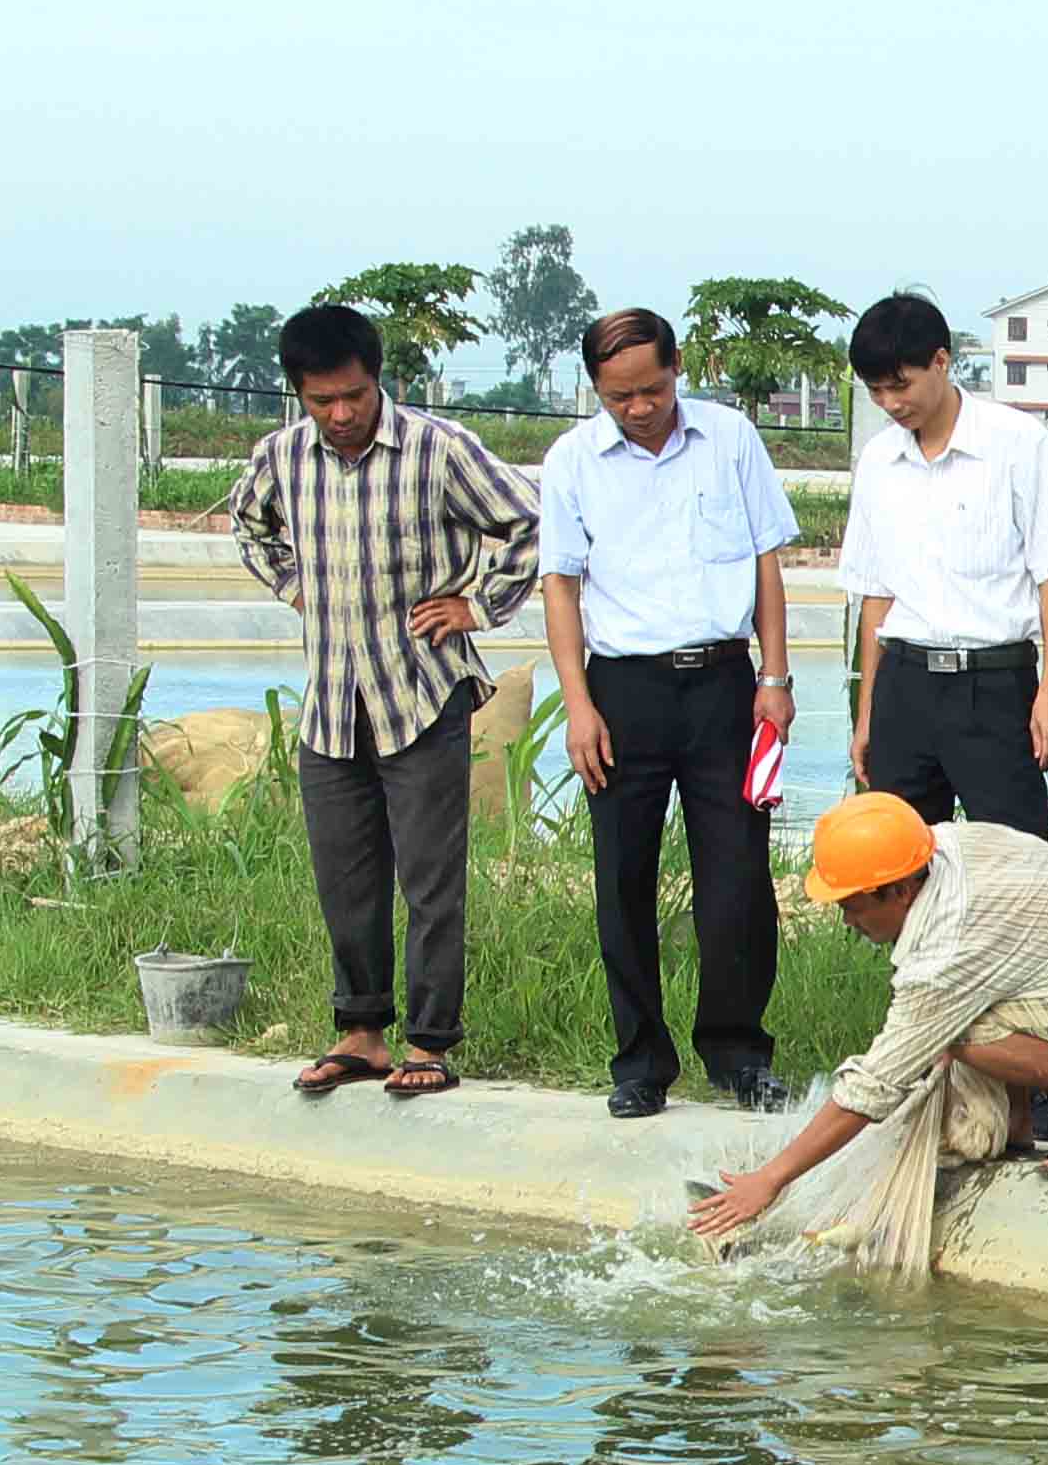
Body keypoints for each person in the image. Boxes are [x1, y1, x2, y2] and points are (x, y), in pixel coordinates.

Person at [230, 300, 539, 1102]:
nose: (340, 415)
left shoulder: (438, 451)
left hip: (422, 696)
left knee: (431, 881)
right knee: (345, 876)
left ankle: (430, 1041)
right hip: (332, 702)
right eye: (321, 401)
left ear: (379, 381)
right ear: (298, 394)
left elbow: (529, 523)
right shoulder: (283, 456)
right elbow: (248, 524)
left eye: (354, 397)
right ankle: (360, 1031)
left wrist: (478, 605)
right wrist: (297, 589)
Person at [685, 794, 1048, 1241]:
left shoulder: (949, 943)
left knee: (966, 1031)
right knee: (976, 1013)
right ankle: (1016, 1125)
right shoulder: (938, 844)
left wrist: (772, 1179)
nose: (847, 921)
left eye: (851, 905)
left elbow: (876, 1084)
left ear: (898, 891)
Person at [539, 305, 799, 1120]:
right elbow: (560, 585)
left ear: (677, 366)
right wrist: (578, 705)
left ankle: (738, 1053)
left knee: (738, 879)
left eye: (651, 388)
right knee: (622, 878)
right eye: (620, 397)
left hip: (724, 684)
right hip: (622, 692)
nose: (640, 408)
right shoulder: (572, 461)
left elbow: (766, 562)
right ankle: (641, 1062)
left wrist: (777, 678)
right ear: (597, 390)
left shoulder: (729, 440)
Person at [834, 292, 1048, 835]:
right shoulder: (878, 462)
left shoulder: (1017, 443)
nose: (891, 404)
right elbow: (875, 595)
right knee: (898, 863)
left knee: (1016, 861)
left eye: (901, 385)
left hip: (992, 687)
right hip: (904, 684)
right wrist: (868, 712)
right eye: (876, 391)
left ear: (941, 362)